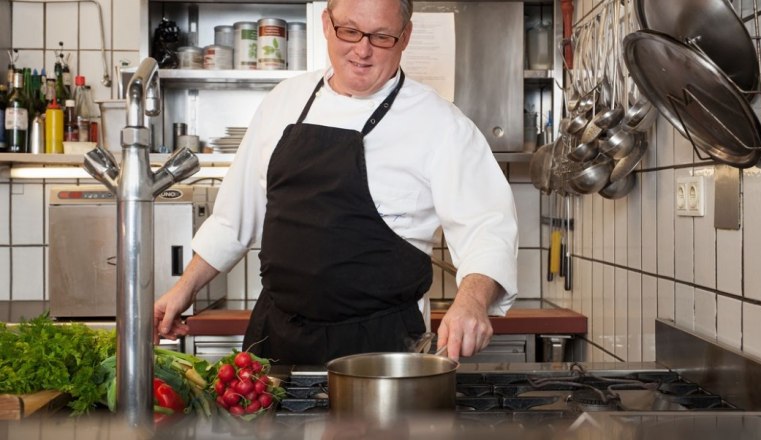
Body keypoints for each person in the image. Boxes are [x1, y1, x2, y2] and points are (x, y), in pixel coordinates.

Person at [154, 0, 519, 364]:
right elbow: (232, 219)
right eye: (349, 31)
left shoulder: (440, 124)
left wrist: (471, 301)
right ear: (327, 24)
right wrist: (183, 289)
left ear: (405, 36)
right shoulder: (284, 101)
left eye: (381, 36)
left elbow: (487, 226)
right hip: (276, 338)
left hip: (383, 349)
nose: (362, 50)